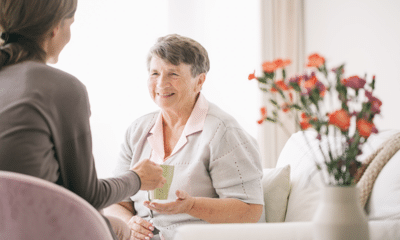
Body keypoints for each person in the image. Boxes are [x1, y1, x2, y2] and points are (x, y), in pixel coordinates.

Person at [0, 1, 165, 239]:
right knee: (118, 228)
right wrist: (137, 178)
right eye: (71, 24)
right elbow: (87, 196)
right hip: (31, 229)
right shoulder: (62, 87)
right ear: (56, 28)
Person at [104, 34, 264, 240]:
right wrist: (129, 223)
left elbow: (250, 211)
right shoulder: (137, 130)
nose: (161, 83)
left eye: (173, 74)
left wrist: (192, 206)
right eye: (155, 73)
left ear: (199, 81)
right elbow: (117, 202)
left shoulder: (223, 131)